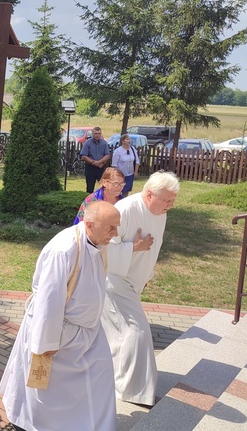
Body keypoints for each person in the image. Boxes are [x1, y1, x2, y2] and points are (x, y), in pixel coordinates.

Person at [0, 201, 120, 431]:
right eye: (111, 228)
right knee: (46, 393)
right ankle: (32, 424)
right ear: (90, 224)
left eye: (117, 227)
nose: (115, 234)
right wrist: (47, 342)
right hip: (59, 333)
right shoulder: (64, 249)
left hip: (89, 332)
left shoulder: (96, 242)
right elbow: (49, 299)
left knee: (101, 374)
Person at [101, 171, 180, 406]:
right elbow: (101, 249)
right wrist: (132, 248)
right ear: (148, 194)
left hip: (133, 282)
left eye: (173, 201)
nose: (170, 205)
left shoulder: (160, 213)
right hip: (113, 281)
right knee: (138, 333)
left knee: (120, 337)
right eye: (166, 200)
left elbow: (154, 247)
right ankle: (135, 392)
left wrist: (147, 273)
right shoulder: (125, 210)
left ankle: (118, 381)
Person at [80, 127, 111, 194]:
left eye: (99, 133)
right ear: (92, 134)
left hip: (101, 168)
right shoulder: (87, 143)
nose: (97, 135)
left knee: (104, 187)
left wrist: (99, 163)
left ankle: (103, 202)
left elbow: (107, 155)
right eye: (95, 133)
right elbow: (84, 156)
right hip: (90, 168)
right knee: (89, 188)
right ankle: (89, 203)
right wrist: (94, 163)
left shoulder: (104, 143)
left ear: (101, 134)